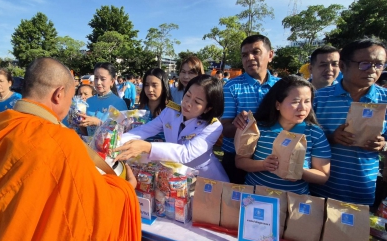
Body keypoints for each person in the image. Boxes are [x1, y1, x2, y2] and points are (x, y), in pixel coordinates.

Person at [0, 57, 145, 241]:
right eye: (71, 98)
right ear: (59, 94)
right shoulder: (59, 141)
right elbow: (90, 204)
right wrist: (126, 189)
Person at [311, 37, 387, 205]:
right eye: (365, 64)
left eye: (379, 64)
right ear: (344, 66)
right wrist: (330, 138)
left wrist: (383, 145)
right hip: (319, 188)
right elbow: (301, 136)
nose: (372, 70)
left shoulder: (385, 100)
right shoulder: (318, 98)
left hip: (362, 190)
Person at [115, 75, 229, 182]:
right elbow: (145, 129)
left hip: (205, 179)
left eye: (197, 102)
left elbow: (186, 153)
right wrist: (117, 142)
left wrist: (148, 147)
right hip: (177, 178)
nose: (188, 103)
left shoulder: (213, 126)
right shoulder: (171, 111)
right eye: (188, 95)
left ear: (208, 108)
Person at [236, 75, 331, 193]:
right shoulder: (258, 128)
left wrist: (298, 171)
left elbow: (323, 176)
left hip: (293, 204)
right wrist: (264, 165)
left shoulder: (315, 134)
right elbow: (240, 161)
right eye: (296, 102)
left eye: (307, 101)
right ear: (277, 104)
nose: (302, 108)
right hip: (256, 198)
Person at [221, 35, 280, 184]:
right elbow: (224, 129)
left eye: (256, 52)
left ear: (270, 55)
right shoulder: (231, 87)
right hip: (235, 158)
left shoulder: (283, 87)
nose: (250, 58)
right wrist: (240, 126)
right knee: (234, 204)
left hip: (272, 159)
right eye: (244, 55)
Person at [78, 63, 127, 135]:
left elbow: (124, 130)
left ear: (112, 81)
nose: (98, 82)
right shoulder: (88, 101)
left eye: (103, 79)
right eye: (96, 78)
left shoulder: (119, 103)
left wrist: (98, 123)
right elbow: (86, 132)